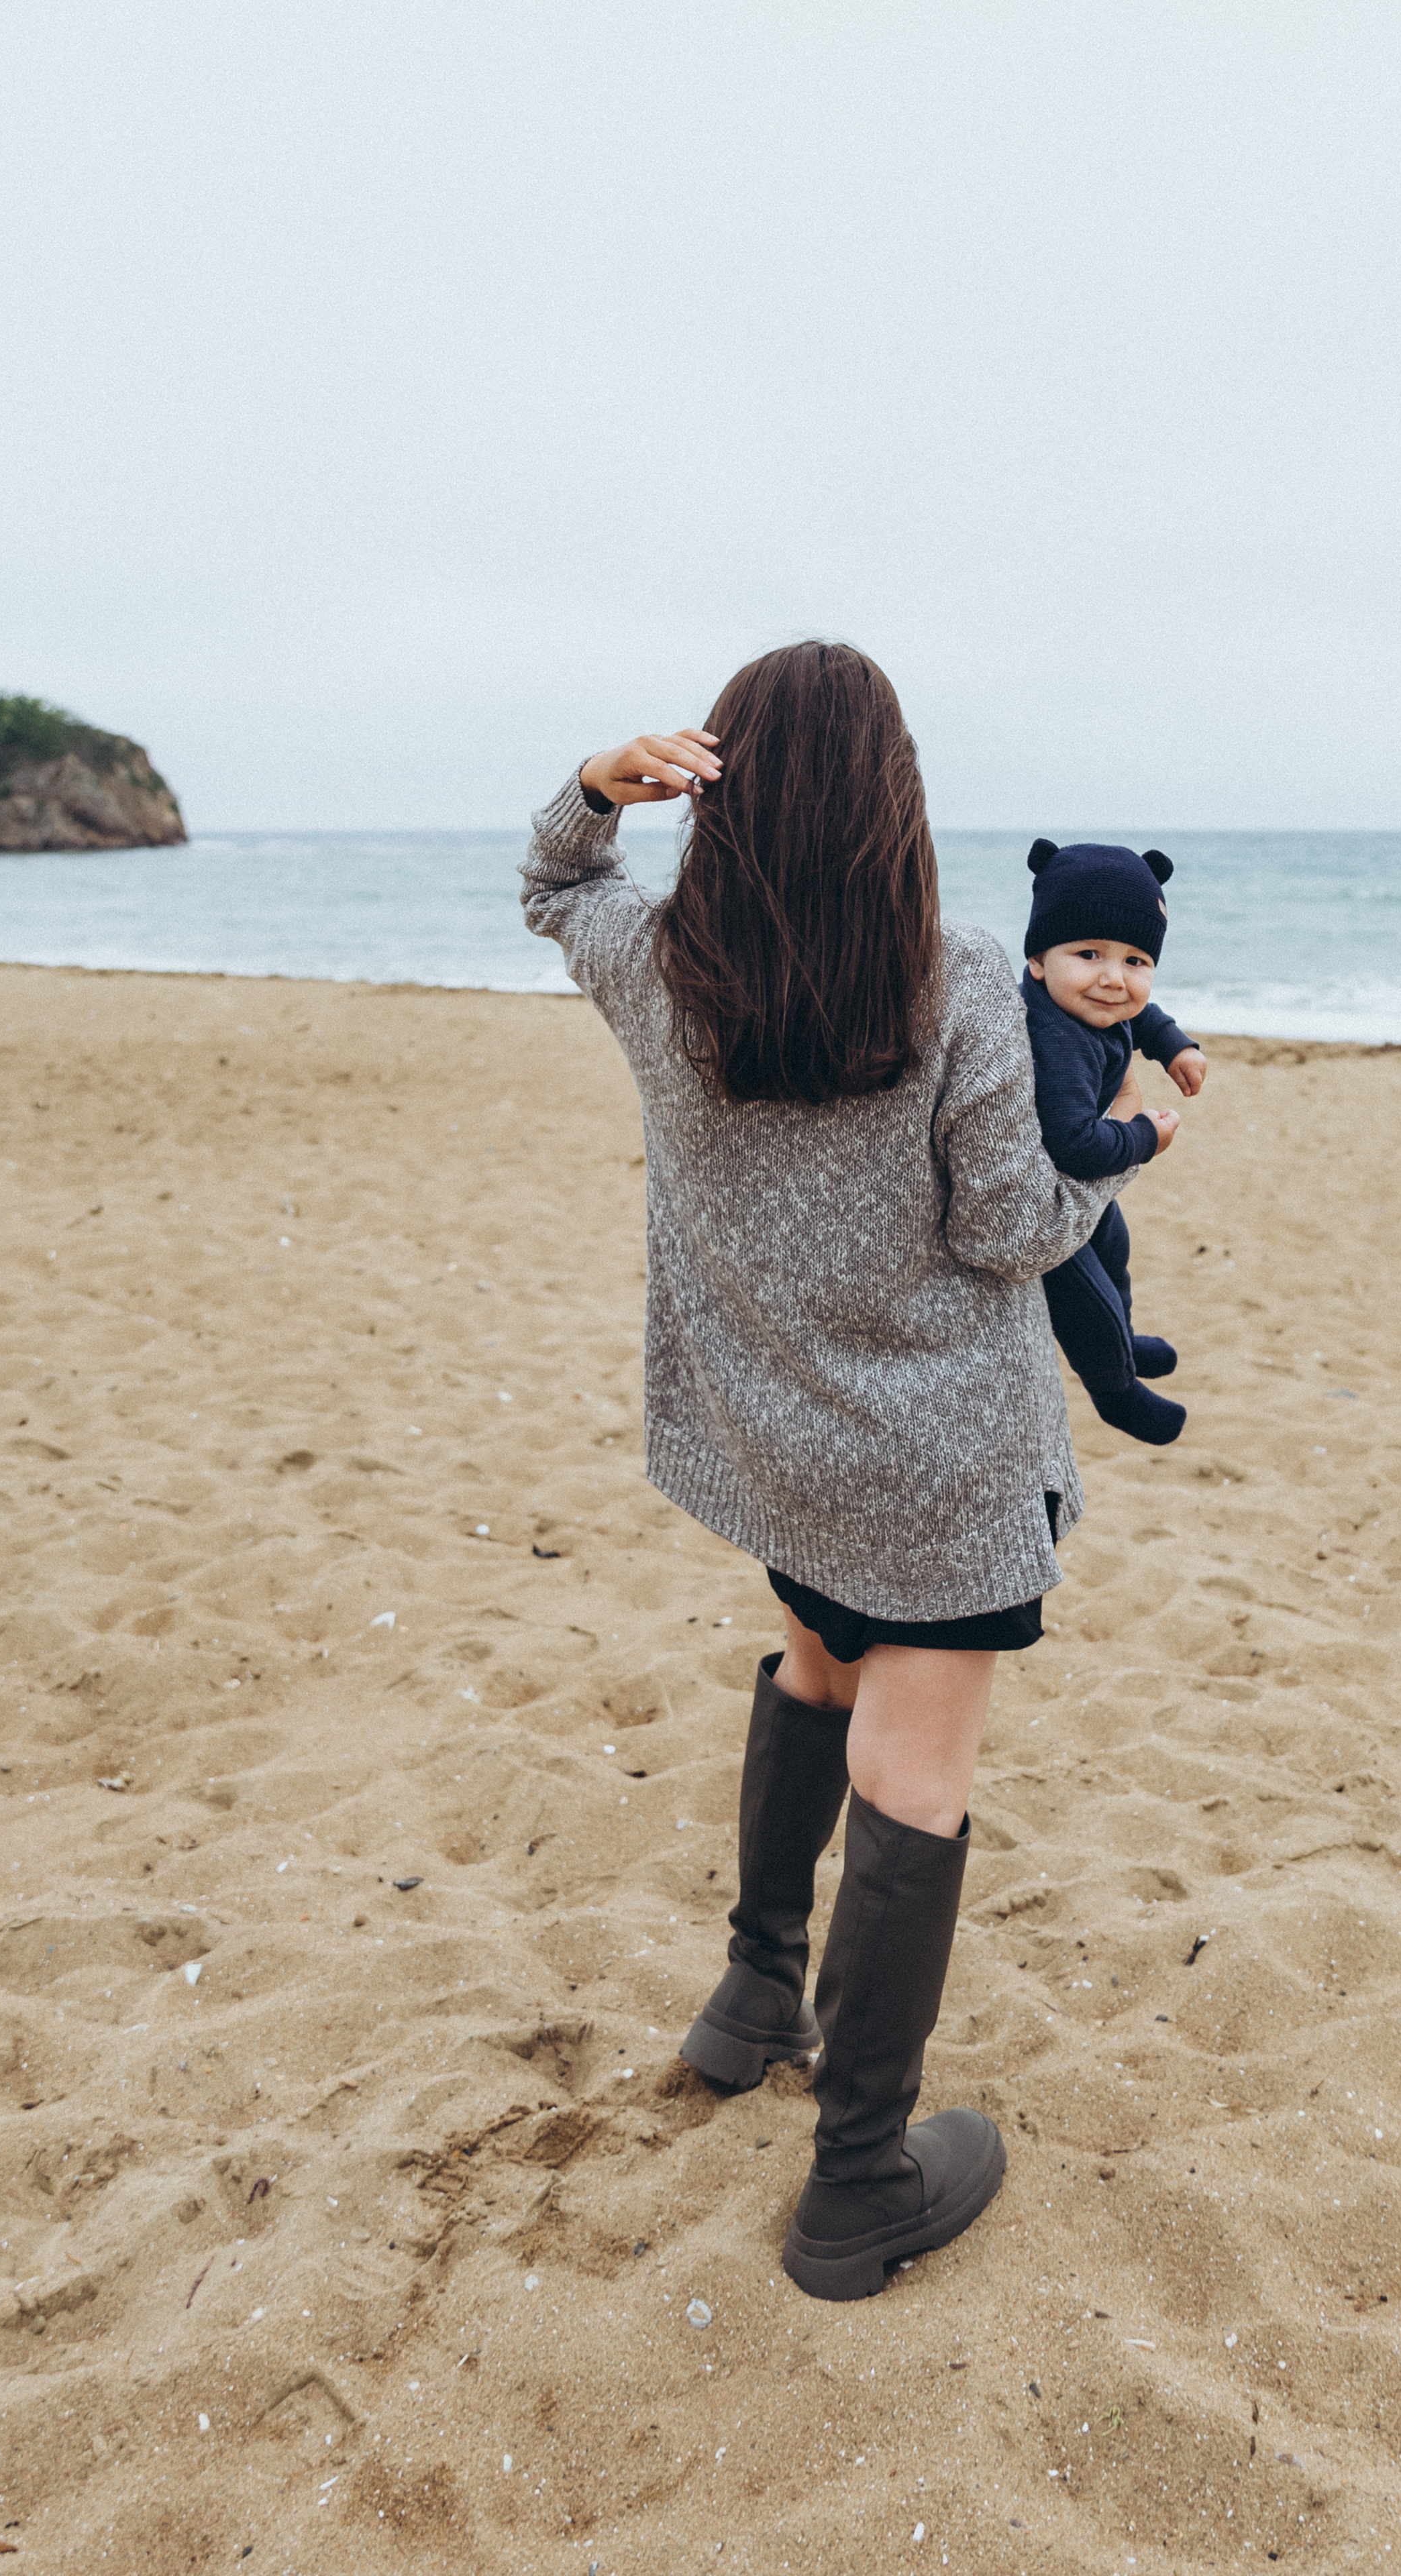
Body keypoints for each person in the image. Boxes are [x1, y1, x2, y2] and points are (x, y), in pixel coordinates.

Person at [521, 643, 1137, 2302]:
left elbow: (544, 883)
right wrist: (1125, 1148)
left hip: (768, 1442)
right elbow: (1012, 1224)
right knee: (913, 1778)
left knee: (813, 1660)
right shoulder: (955, 976)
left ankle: (747, 1997)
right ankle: (856, 2178)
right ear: (894, 799)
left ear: (711, 787)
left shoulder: (656, 959)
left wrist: (595, 789)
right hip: (938, 1469)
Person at [1021, 836, 1209, 1446]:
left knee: (1116, 1250)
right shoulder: (1056, 1039)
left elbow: (1139, 1015)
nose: (1112, 979)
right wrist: (1143, 1136)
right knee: (1086, 1298)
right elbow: (1074, 1144)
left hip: (1076, 1183)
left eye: (1136, 961)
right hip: (1034, 1197)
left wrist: (1175, 1044)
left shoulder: (1091, 1003)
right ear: (1038, 960)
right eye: (1089, 954)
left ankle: (1124, 1343)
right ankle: (1115, 1391)